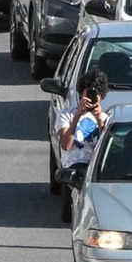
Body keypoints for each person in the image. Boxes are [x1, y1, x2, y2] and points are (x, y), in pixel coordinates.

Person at [55, 68, 109, 221]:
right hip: (74, 164)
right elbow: (66, 145)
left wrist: (99, 120)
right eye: (88, 94)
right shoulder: (66, 115)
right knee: (80, 177)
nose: (91, 99)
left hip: (95, 164)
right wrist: (77, 116)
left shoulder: (106, 118)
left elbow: (108, 146)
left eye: (95, 96)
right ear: (81, 93)